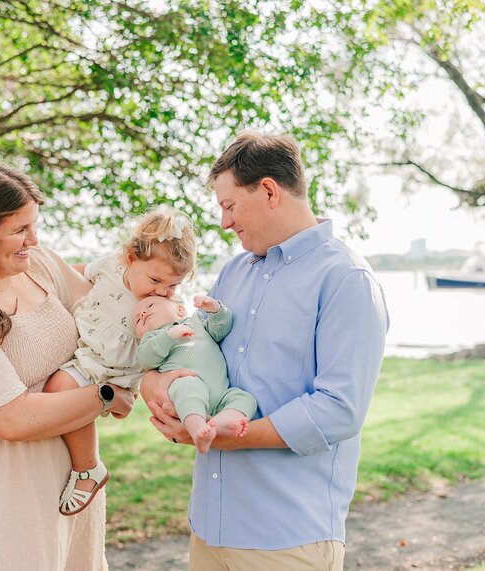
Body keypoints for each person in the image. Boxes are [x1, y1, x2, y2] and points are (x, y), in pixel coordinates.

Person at [141, 132, 389, 571]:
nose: (224, 222)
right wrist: (155, 383)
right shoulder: (234, 271)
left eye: (229, 205)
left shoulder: (346, 279)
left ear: (270, 190)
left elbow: (339, 410)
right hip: (208, 527)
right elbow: (195, 350)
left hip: (287, 539)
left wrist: (227, 438)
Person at [0, 161, 136, 570]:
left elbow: (106, 313)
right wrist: (105, 396)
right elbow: (13, 419)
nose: (33, 239)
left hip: (75, 476)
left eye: (34, 225)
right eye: (19, 230)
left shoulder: (42, 266)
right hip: (9, 478)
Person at [44, 206, 196, 516]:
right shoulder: (107, 268)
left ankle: (88, 469)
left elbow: (172, 337)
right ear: (129, 258)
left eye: (173, 285)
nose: (163, 291)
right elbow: (74, 273)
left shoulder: (165, 304)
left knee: (60, 389)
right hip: (90, 355)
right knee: (63, 394)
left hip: (112, 370)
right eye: (156, 280)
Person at [134, 295, 257, 453]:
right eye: (137, 320)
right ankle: (198, 430)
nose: (142, 314)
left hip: (222, 393)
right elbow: (146, 360)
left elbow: (219, 331)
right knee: (188, 387)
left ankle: (221, 422)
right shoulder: (152, 337)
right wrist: (169, 335)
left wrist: (216, 310)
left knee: (245, 398)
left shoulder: (196, 321)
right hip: (187, 383)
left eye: (150, 306)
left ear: (180, 310)